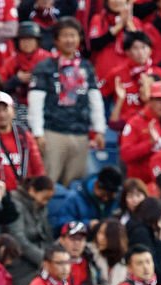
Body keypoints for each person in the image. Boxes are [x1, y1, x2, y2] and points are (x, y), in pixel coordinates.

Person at [28, 17, 107, 186]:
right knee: (48, 181)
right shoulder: (45, 66)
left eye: (73, 35)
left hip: (80, 133)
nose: (69, 40)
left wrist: (99, 129)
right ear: (56, 40)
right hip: (52, 132)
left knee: (75, 182)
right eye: (65, 35)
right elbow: (35, 101)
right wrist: (38, 132)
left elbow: (95, 98)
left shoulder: (86, 67)